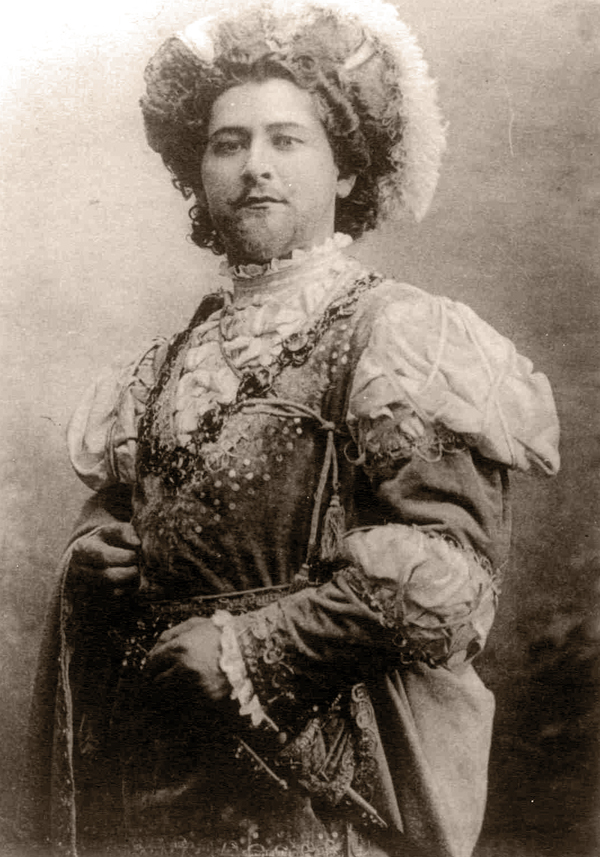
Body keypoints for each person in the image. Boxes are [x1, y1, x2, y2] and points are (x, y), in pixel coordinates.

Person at [20, 1, 560, 855]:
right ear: (199, 171)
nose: (255, 167)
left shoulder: (395, 335)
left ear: (345, 169)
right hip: (155, 786)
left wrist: (250, 647)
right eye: (228, 143)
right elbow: (132, 519)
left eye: (287, 140)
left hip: (312, 788)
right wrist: (93, 557)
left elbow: (453, 577)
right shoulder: (161, 366)